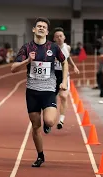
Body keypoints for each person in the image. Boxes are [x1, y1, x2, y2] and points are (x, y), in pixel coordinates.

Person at [11, 17, 68, 167]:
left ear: (47, 31)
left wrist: (64, 81)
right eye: (39, 26)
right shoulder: (26, 48)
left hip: (48, 90)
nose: (41, 28)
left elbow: (64, 61)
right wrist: (27, 61)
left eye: (44, 27)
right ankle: (40, 155)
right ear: (34, 29)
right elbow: (13, 68)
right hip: (32, 92)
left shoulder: (54, 47)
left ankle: (48, 125)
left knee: (49, 121)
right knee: (35, 126)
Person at [53, 27, 80, 129]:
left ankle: (61, 120)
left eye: (61, 36)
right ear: (54, 39)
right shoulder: (51, 48)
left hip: (64, 74)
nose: (59, 38)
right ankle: (51, 117)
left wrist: (74, 66)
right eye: (57, 37)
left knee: (64, 96)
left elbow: (68, 57)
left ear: (64, 37)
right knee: (52, 98)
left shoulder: (67, 47)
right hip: (53, 74)